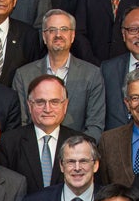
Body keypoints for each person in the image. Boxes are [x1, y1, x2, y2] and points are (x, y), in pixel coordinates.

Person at [11, 9, 106, 138]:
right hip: (34, 151)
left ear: (72, 36)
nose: (58, 35)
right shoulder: (23, 75)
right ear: (44, 37)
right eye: (52, 30)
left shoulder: (92, 74)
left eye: (64, 29)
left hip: (77, 153)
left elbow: (95, 126)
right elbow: (21, 123)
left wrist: (75, 152)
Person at [0, 75, 80, 194]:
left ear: (65, 105)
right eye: (40, 102)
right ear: (30, 106)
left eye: (54, 102)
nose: (47, 109)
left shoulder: (82, 144)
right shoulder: (8, 143)